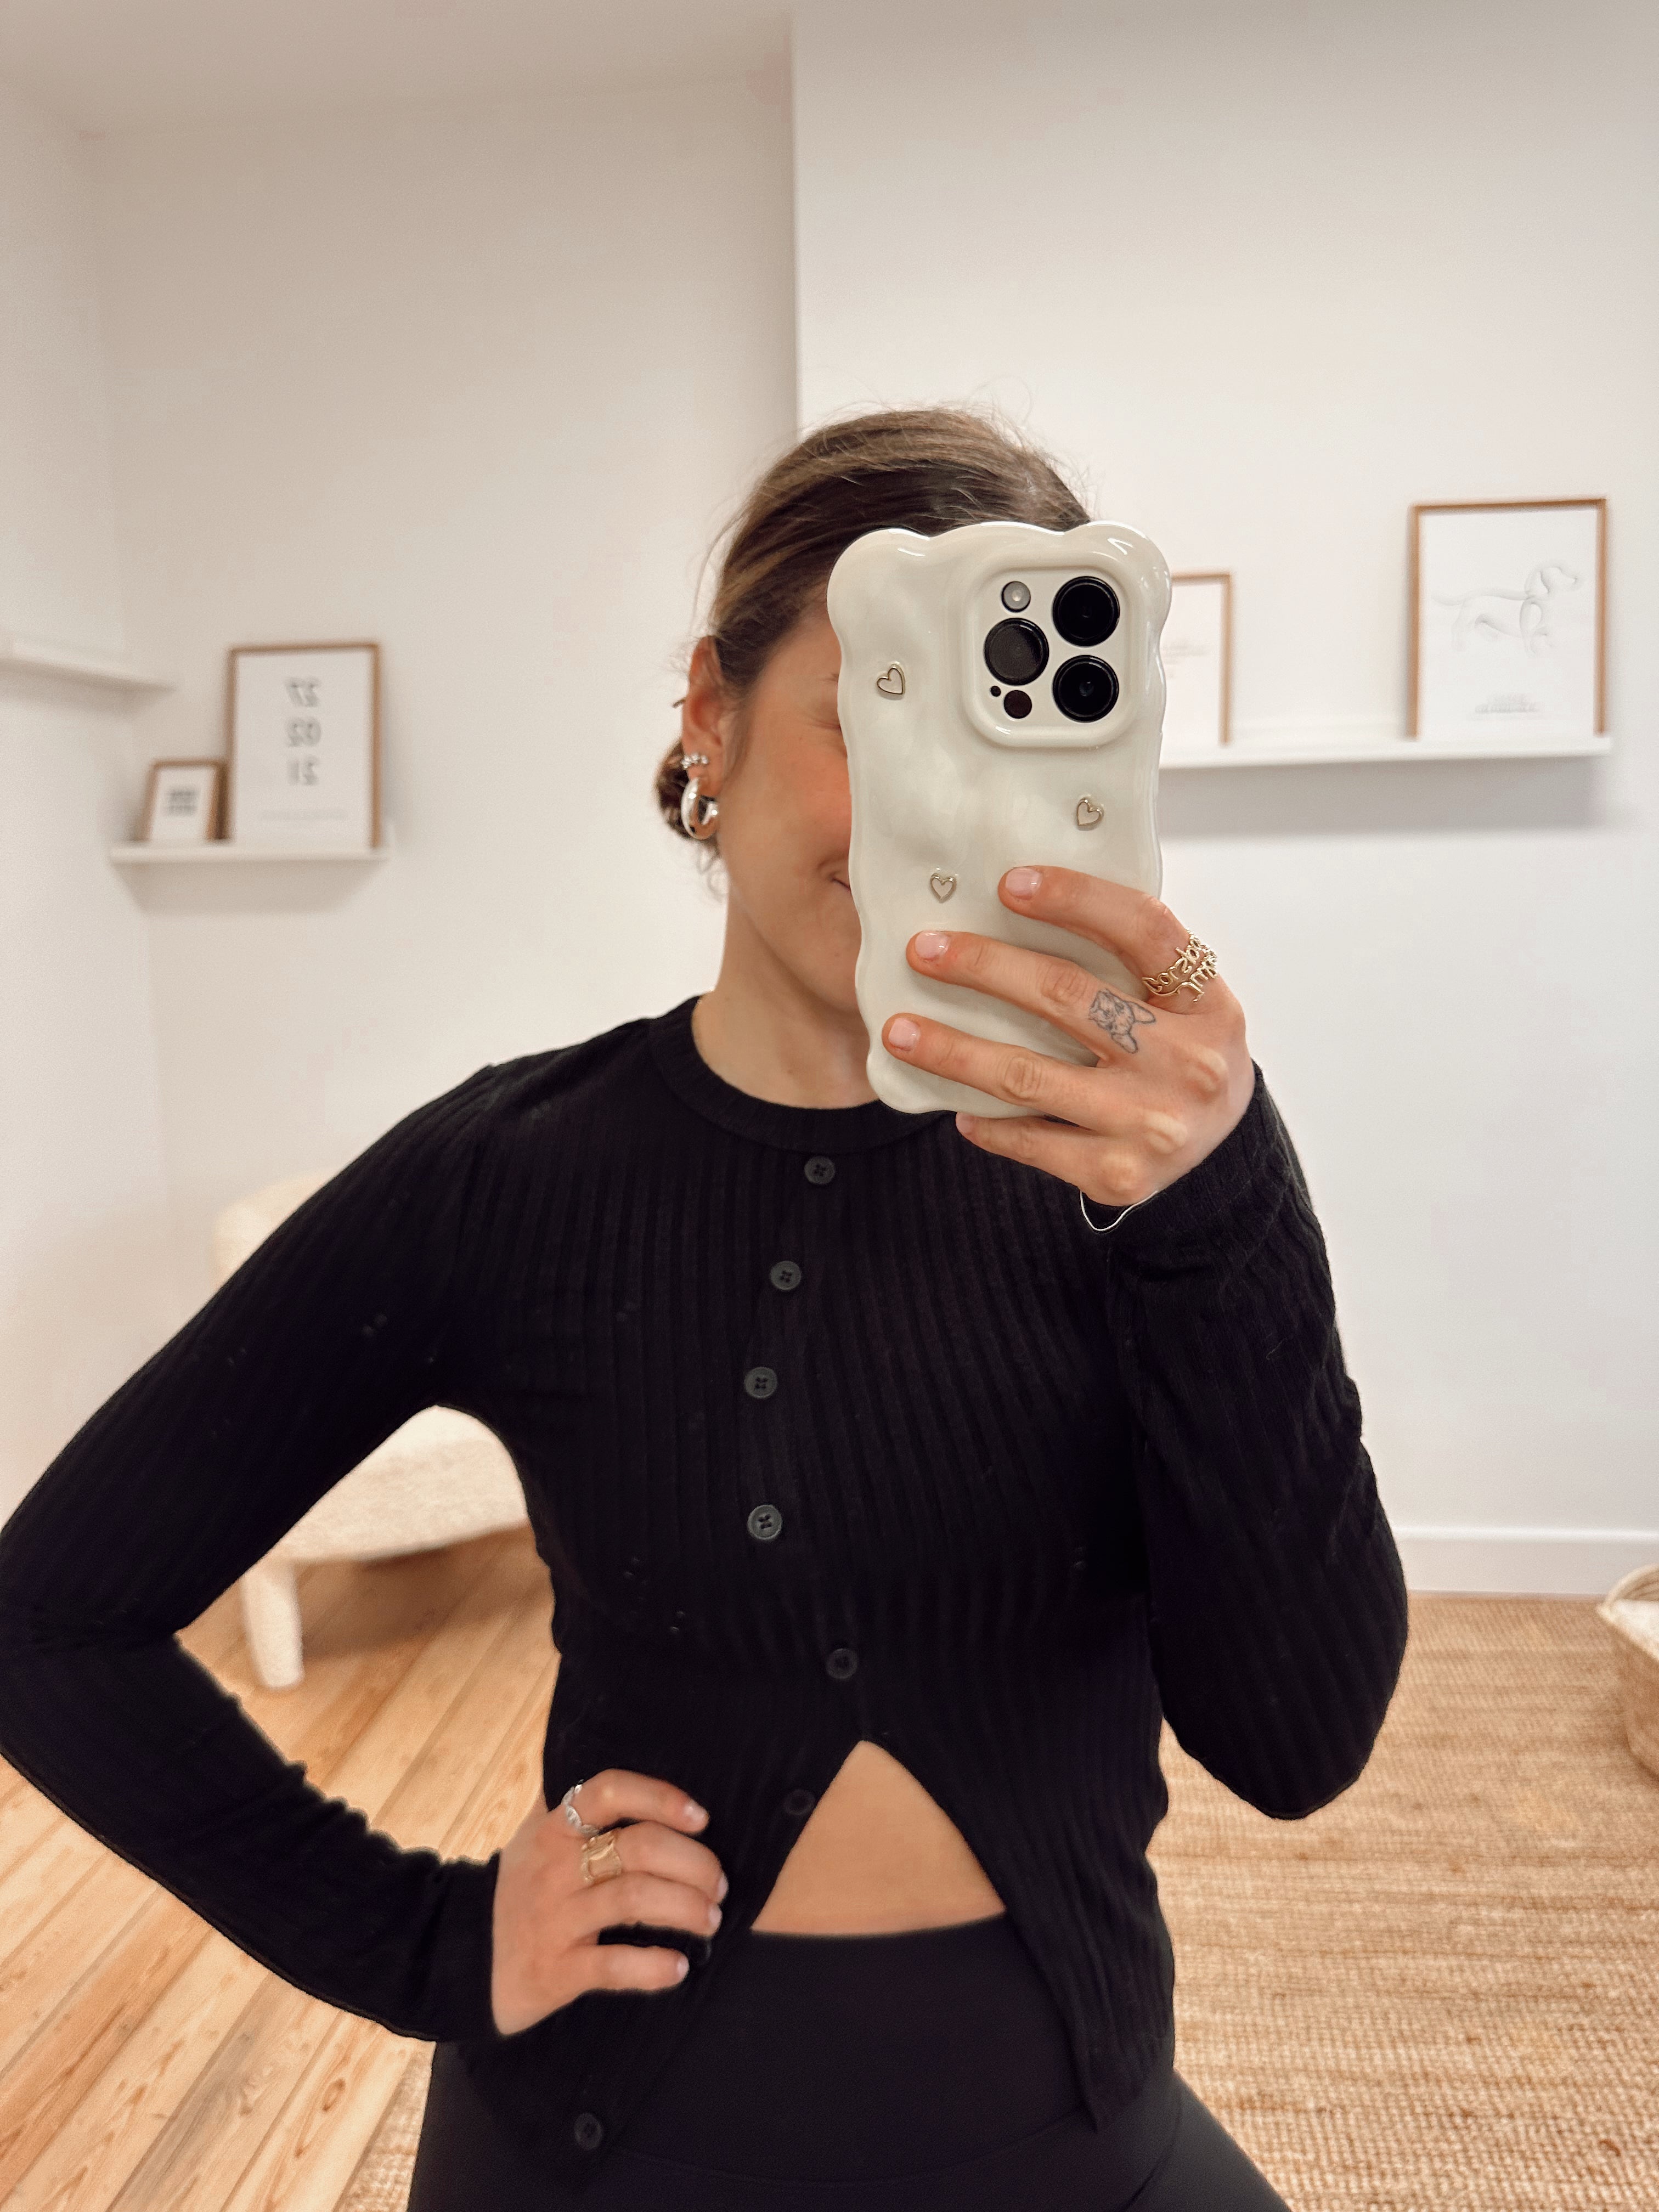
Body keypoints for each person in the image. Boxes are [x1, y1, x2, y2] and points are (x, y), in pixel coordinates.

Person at [0, 407, 1409, 2210]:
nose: (927, 814)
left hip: (1074, 2126)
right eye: (872, 718)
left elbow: (1297, 1745)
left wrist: (1225, 1206)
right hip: (601, 2139)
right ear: (710, 718)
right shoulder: (511, 1173)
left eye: (1004, 735)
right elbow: (51, 1620)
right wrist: (425, 1940)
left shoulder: (1154, 1173)